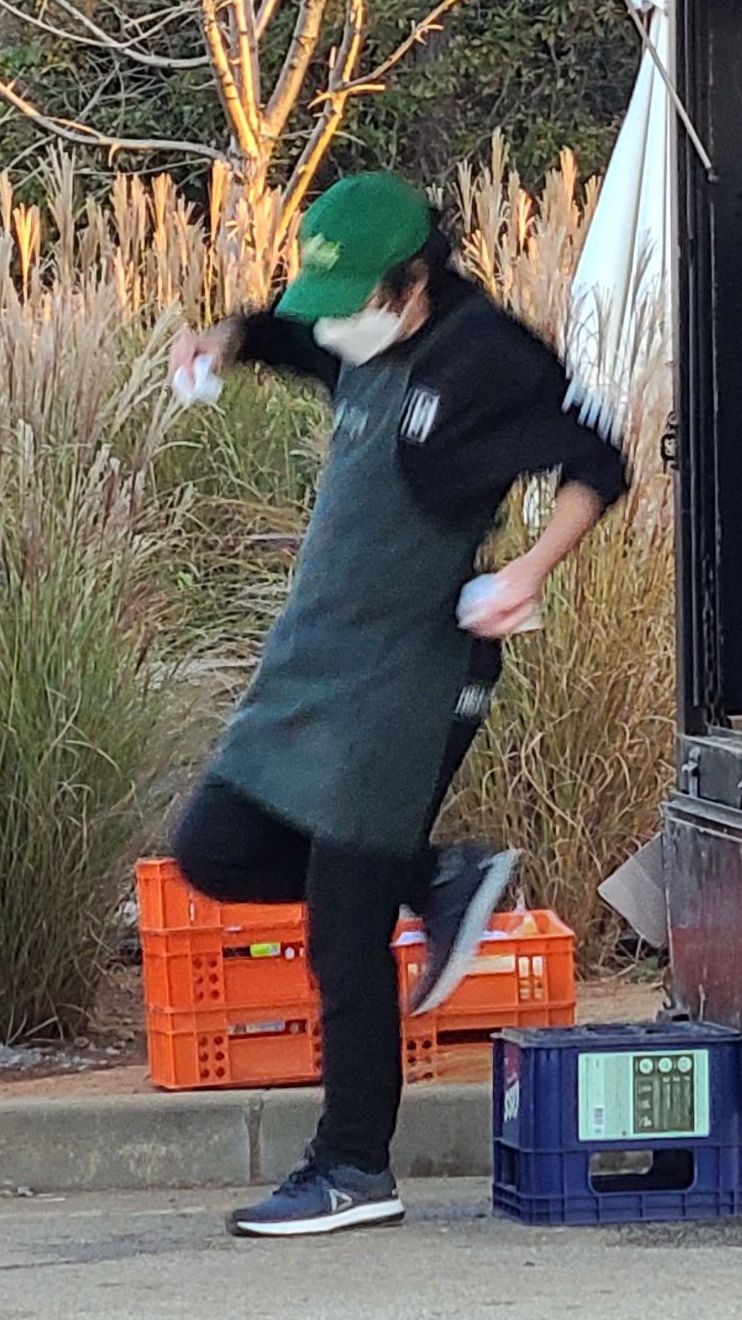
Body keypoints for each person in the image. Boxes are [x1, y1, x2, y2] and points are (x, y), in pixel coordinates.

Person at [166, 170, 631, 1238]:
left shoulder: (490, 359)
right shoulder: (355, 332)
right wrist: (222, 338)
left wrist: (530, 574)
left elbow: (596, 463)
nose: (333, 324)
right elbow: (288, 337)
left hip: (415, 670)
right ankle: (441, 875)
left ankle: (352, 1168)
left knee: (345, 926)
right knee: (216, 849)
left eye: (352, 300)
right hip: (315, 654)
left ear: (411, 282)